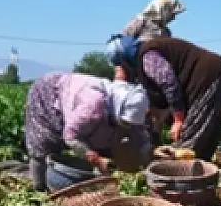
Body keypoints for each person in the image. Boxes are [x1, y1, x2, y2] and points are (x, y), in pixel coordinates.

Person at [106, 34, 221, 161]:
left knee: (192, 136)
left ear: (125, 60)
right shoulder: (142, 63)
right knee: (202, 133)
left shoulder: (148, 57)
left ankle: (188, 173)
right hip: (211, 74)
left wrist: (178, 120)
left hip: (208, 75)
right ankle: (197, 167)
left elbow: (169, 84)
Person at [24, 72, 152, 192]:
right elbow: (71, 137)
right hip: (48, 94)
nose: (127, 126)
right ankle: (38, 189)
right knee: (43, 145)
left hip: (87, 111)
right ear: (118, 109)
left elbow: (139, 134)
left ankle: (98, 182)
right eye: (125, 122)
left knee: (105, 144)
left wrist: (148, 153)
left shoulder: (132, 105)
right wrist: (96, 159)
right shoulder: (92, 105)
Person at [122, 0, 186, 42]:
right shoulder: (141, 21)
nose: (173, 18)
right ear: (164, 10)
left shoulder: (166, 32)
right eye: (172, 14)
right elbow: (126, 38)